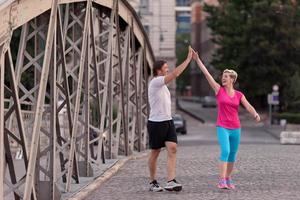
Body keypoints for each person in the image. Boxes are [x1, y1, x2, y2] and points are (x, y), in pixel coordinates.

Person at [192, 49, 261, 189]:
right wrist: (198, 60)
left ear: (232, 80)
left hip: (236, 127)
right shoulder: (219, 90)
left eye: (226, 76)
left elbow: (248, 106)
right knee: (225, 151)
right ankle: (222, 180)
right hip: (222, 126)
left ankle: (228, 178)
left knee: (232, 155)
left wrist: (255, 114)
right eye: (223, 76)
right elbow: (207, 74)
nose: (223, 78)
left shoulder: (239, 95)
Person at [147, 46, 193, 192]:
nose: (167, 69)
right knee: (155, 152)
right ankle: (152, 182)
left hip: (168, 121)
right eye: (165, 68)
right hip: (156, 122)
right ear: (158, 70)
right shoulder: (155, 82)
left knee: (172, 149)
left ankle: (170, 181)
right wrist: (188, 59)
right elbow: (176, 73)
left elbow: (173, 74)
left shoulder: (163, 85)